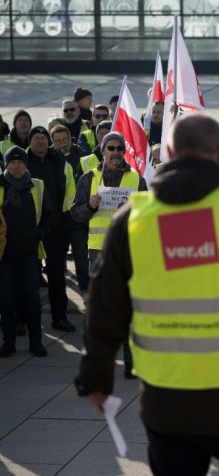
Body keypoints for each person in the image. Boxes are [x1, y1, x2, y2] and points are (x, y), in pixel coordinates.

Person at [75, 114, 219, 475]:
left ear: (168, 152)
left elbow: (105, 307)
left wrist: (95, 375)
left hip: (170, 397)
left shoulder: (133, 220)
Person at [71, 132, 147, 378]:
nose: (115, 153)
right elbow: (76, 214)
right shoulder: (89, 178)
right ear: (102, 151)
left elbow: (148, 216)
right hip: (98, 252)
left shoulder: (136, 179)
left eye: (119, 149)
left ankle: (130, 363)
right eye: (111, 148)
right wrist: (90, 206)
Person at [0, 147, 54, 358]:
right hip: (4, 255)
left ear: (25, 164)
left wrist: (38, 234)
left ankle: (36, 343)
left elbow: (50, 216)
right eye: (12, 162)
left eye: (20, 161)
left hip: (30, 253)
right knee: (6, 300)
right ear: (6, 164)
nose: (16, 165)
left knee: (32, 300)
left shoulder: (37, 185)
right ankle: (9, 343)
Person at [26, 126, 77, 332]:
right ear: (30, 142)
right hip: (27, 228)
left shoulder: (60, 163)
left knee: (57, 274)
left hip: (55, 226)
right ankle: (23, 319)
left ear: (48, 141)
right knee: (26, 276)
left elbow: (69, 195)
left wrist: (65, 222)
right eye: (35, 138)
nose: (39, 141)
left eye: (42, 138)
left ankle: (59, 317)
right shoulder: (20, 161)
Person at [51, 125, 90, 294]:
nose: (61, 144)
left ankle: (85, 289)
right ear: (52, 142)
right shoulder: (49, 157)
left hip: (77, 215)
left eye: (64, 139)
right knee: (57, 258)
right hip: (58, 216)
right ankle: (59, 292)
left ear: (70, 138)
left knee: (81, 256)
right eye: (57, 141)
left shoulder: (82, 154)